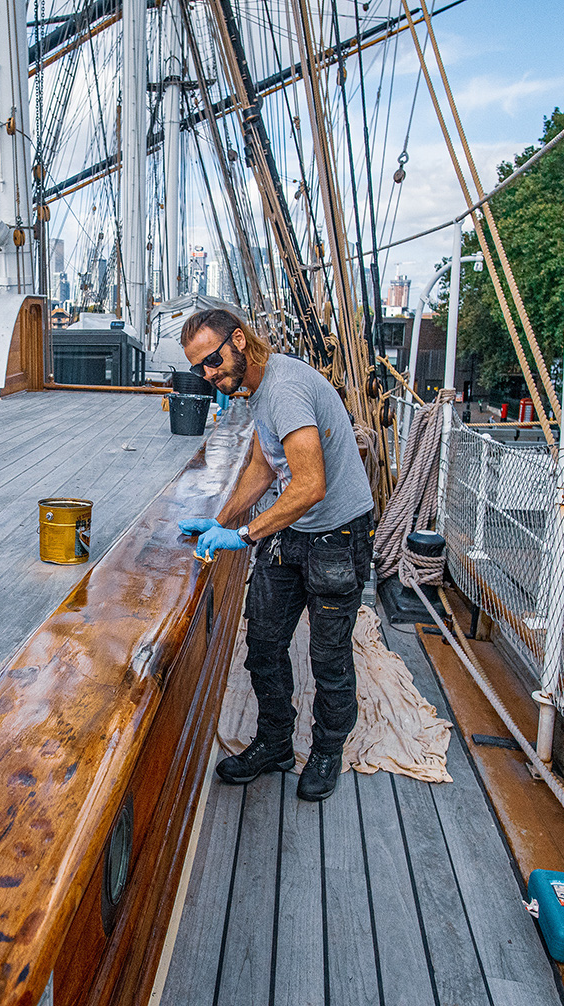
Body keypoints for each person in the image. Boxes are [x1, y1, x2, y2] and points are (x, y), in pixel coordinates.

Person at [177, 309, 374, 801]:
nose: (209, 374)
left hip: (337, 536)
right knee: (264, 644)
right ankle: (275, 743)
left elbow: (309, 486)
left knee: (328, 657)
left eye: (213, 360)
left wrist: (243, 536)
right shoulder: (258, 389)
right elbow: (265, 466)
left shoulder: (284, 390)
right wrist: (221, 522)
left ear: (239, 341)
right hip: (291, 533)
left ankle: (327, 751)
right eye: (200, 368)